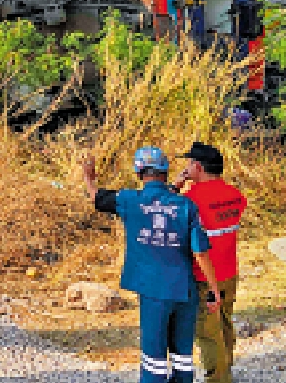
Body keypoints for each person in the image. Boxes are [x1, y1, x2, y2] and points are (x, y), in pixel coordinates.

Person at [83, 147, 221, 383]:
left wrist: (89, 178)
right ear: (165, 172)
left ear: (138, 172)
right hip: (184, 290)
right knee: (183, 357)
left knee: (154, 359)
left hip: (153, 292)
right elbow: (200, 251)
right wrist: (214, 288)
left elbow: (98, 197)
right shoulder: (186, 205)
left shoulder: (129, 200)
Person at [173, 142, 247, 383]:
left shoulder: (190, 200)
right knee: (225, 324)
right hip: (229, 273)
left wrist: (175, 186)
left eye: (189, 163)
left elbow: (167, 212)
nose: (186, 167)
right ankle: (226, 369)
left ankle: (218, 379)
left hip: (204, 277)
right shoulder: (235, 196)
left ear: (197, 166)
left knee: (207, 333)